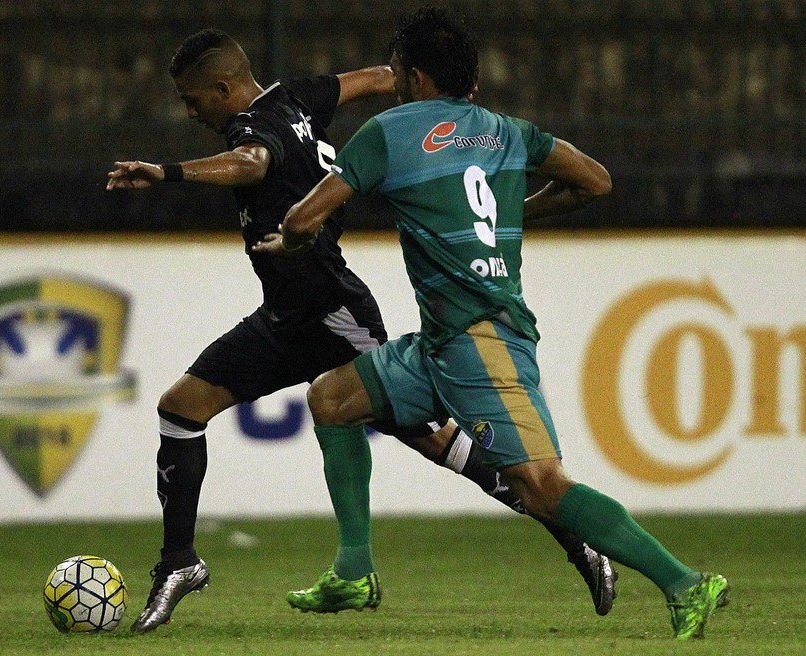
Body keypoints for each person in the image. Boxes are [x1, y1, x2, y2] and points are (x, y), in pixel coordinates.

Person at [106, 28, 615, 633]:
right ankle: (178, 563)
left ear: (224, 88)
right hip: (285, 317)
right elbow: (377, 79)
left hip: (333, 311)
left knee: (445, 444)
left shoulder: (252, 128)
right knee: (182, 408)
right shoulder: (298, 97)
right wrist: (433, 91)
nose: (190, 113)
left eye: (194, 100)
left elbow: (253, 163)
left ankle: (574, 535)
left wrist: (165, 173)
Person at [253, 6, 730, 641]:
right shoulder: (509, 131)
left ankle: (684, 583)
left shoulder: (389, 132)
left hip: (481, 339)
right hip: (440, 343)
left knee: (542, 487)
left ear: (416, 76)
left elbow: (305, 219)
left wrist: (287, 240)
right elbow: (596, 181)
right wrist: (515, 213)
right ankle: (354, 571)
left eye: (396, 70)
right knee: (334, 397)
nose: (393, 81)